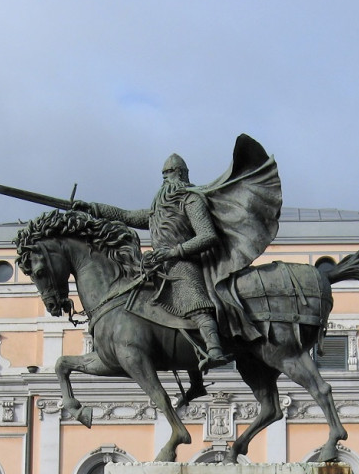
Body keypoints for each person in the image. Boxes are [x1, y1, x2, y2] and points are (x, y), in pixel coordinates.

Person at [76, 135, 281, 370]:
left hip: (183, 263)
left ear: (182, 174)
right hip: (156, 266)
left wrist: (174, 252)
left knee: (194, 301)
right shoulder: (159, 209)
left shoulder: (191, 200)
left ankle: (214, 349)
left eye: (171, 172)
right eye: (163, 173)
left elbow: (207, 236)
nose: (166, 177)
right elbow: (128, 216)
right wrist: (92, 208)